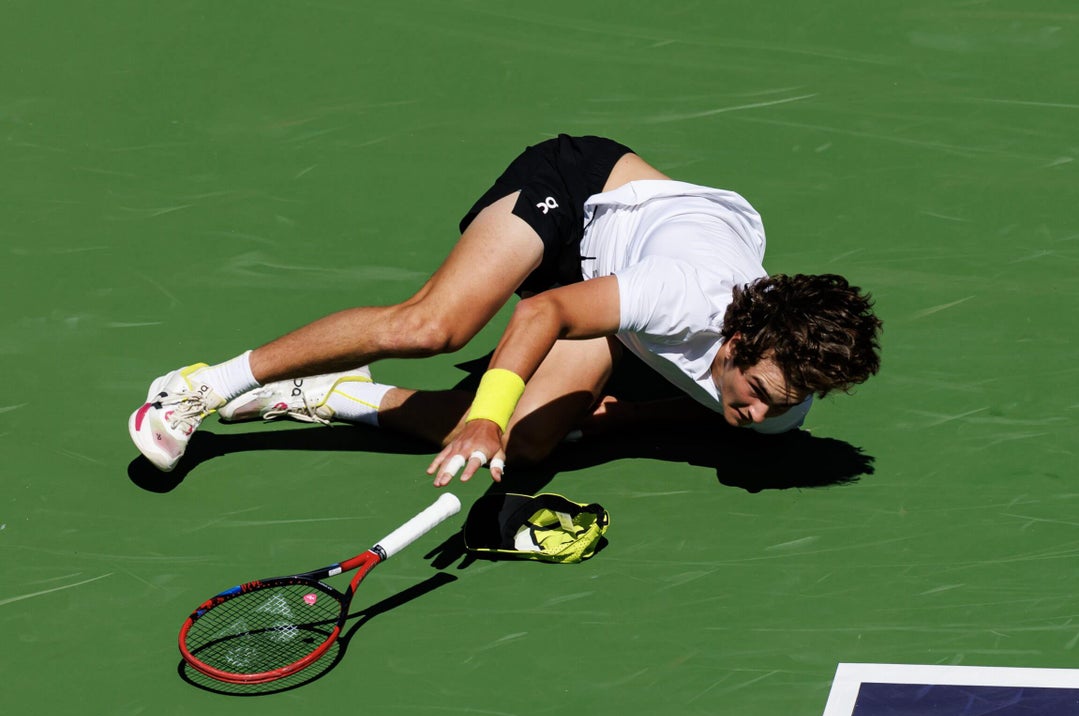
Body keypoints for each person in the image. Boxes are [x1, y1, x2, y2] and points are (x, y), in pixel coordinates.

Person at [128, 134, 882, 485]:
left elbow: (697, 414)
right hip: (579, 200)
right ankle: (206, 383)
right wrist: (484, 408)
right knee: (434, 327)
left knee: (524, 449)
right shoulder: (684, 293)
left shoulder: (780, 400)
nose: (757, 412)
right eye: (754, 393)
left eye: (780, 402)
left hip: (614, 301)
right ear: (742, 336)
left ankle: (336, 395)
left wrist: (609, 419)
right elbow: (544, 313)